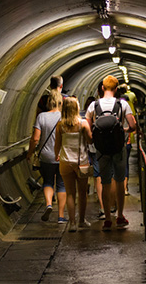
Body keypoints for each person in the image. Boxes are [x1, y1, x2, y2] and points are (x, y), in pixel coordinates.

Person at [86, 75, 138, 230]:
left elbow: (88, 128)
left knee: (105, 182)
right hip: (118, 148)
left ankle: (107, 218)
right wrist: (123, 130)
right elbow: (133, 126)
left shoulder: (93, 106)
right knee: (120, 181)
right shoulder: (123, 105)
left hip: (101, 150)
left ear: (102, 88)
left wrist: (92, 141)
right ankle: (120, 216)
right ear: (116, 89)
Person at [28, 90, 66, 223]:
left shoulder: (41, 117)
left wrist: (30, 153)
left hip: (46, 156)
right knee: (61, 185)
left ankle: (49, 204)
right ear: (61, 102)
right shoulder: (64, 117)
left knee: (48, 182)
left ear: (49, 103)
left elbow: (35, 139)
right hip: (62, 157)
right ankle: (61, 216)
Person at [55, 96, 92, 232]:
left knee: (70, 193)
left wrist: (56, 156)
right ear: (76, 108)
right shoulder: (83, 124)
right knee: (82, 193)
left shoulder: (60, 125)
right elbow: (90, 141)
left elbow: (57, 144)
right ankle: (81, 221)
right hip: (81, 162)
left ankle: (72, 223)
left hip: (65, 161)